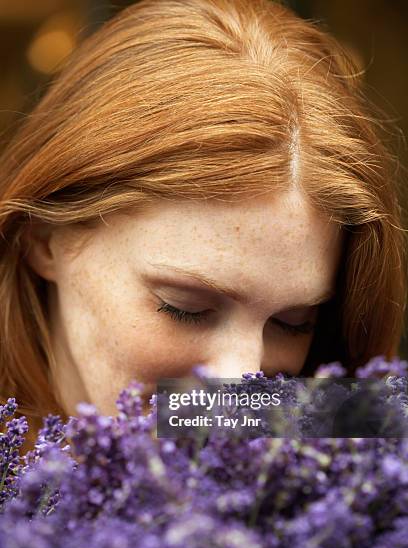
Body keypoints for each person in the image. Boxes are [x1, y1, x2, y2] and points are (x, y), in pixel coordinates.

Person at [0, 0, 406, 452]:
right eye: (185, 307)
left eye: (292, 322)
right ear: (44, 238)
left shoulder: (349, 449)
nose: (238, 385)